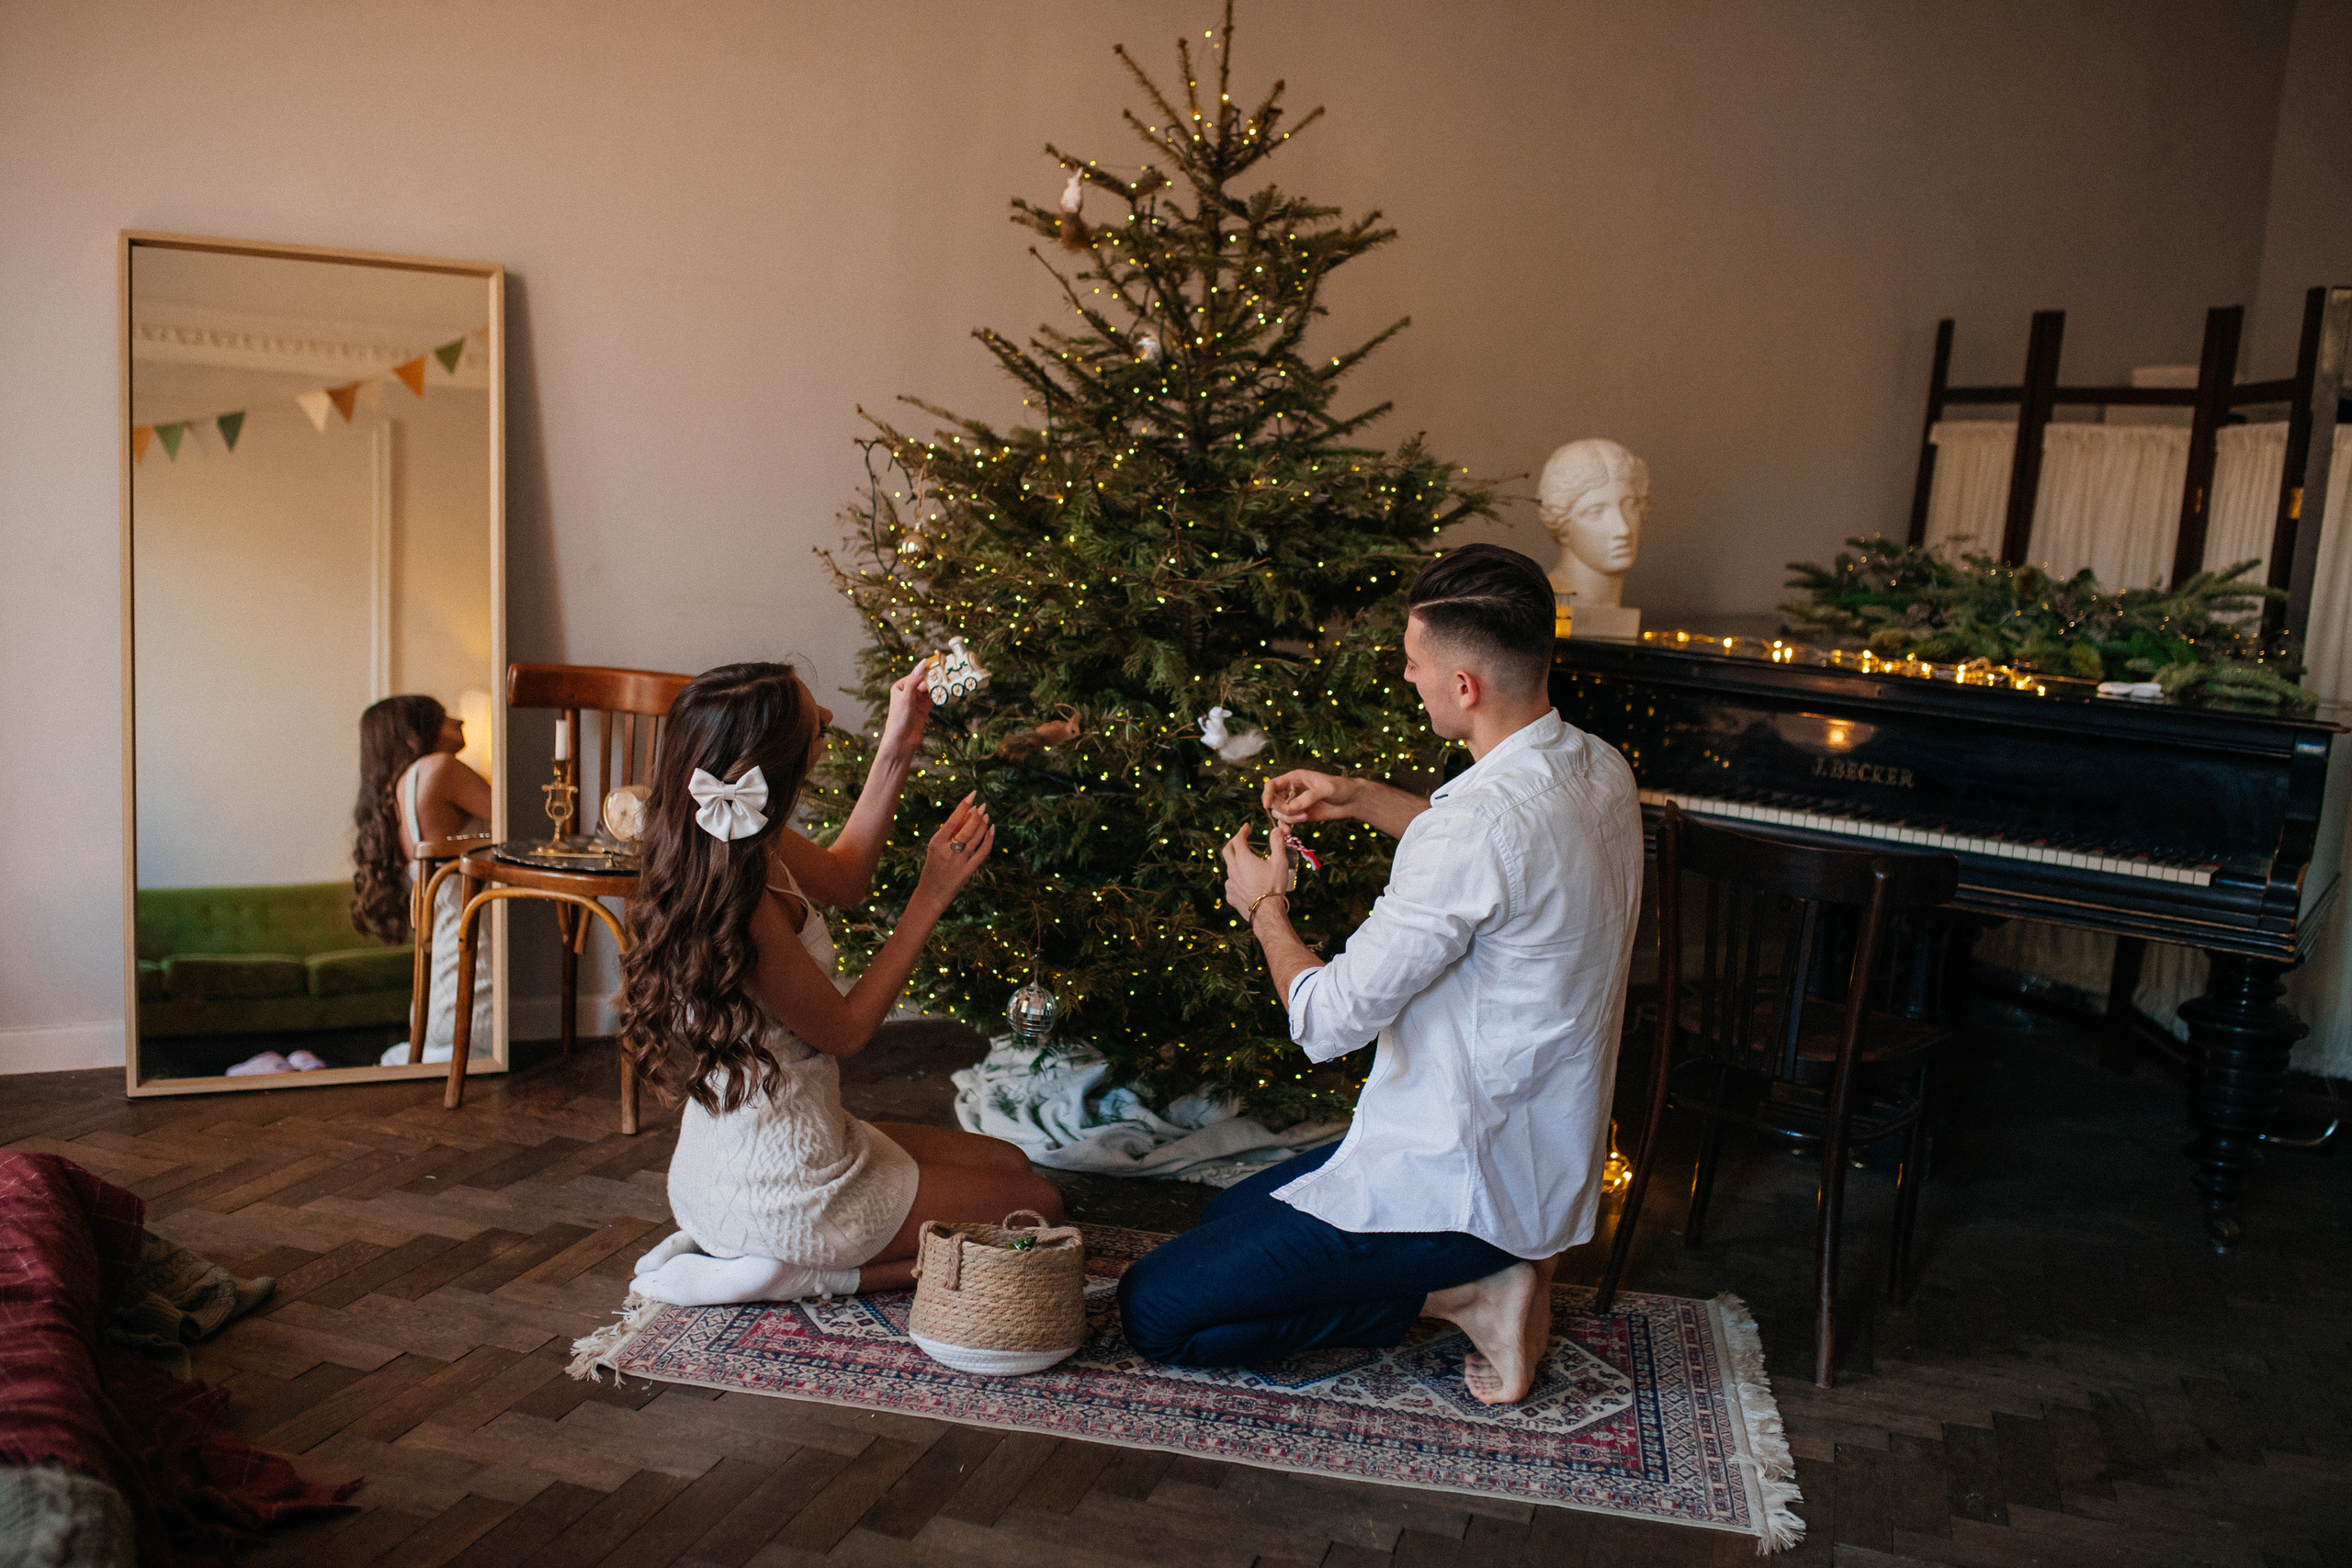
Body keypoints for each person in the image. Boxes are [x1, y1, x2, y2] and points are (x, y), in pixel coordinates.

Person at [1114, 544, 1644, 1404]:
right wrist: (1357, 795)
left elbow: (1326, 1023)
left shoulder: (1473, 828)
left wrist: (1264, 907)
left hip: (1461, 1187)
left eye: (1416, 661)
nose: (1407, 674)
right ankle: (1493, 1273)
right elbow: (1493, 855)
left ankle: (1467, 1291)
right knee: (1223, 1222)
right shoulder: (1597, 767)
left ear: (1464, 685)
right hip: (1543, 1162)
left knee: (1159, 1311)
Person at [616, 660, 1063, 1305]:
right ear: (774, 758)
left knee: (1013, 1167)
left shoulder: (735, 836)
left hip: (769, 1150)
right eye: (813, 717)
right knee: (1040, 1208)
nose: (827, 719)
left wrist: (900, 741)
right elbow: (848, 1031)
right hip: (783, 1189)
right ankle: (791, 1270)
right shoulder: (739, 898)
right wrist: (930, 895)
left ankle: (763, 1253)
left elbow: (846, 877)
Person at [352, 694, 494, 1066]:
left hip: (436, 1001)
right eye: (446, 717)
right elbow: (523, 820)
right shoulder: (440, 770)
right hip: (478, 989)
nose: (460, 722)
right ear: (416, 733)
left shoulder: (399, 794)